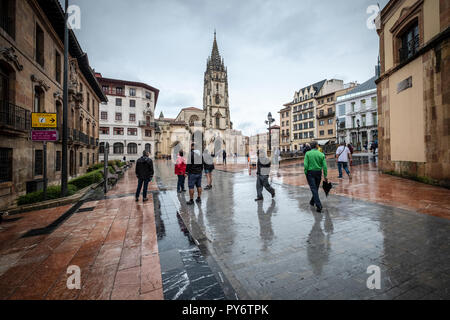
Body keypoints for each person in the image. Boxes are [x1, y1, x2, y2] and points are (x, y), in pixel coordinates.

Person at [304, 141, 328, 213]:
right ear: (317, 146)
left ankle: (319, 205)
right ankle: (312, 201)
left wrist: (306, 173)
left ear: (311, 146)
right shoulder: (321, 154)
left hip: (310, 173)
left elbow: (305, 165)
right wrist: (325, 175)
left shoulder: (307, 154)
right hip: (318, 172)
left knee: (314, 189)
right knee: (315, 188)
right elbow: (325, 166)